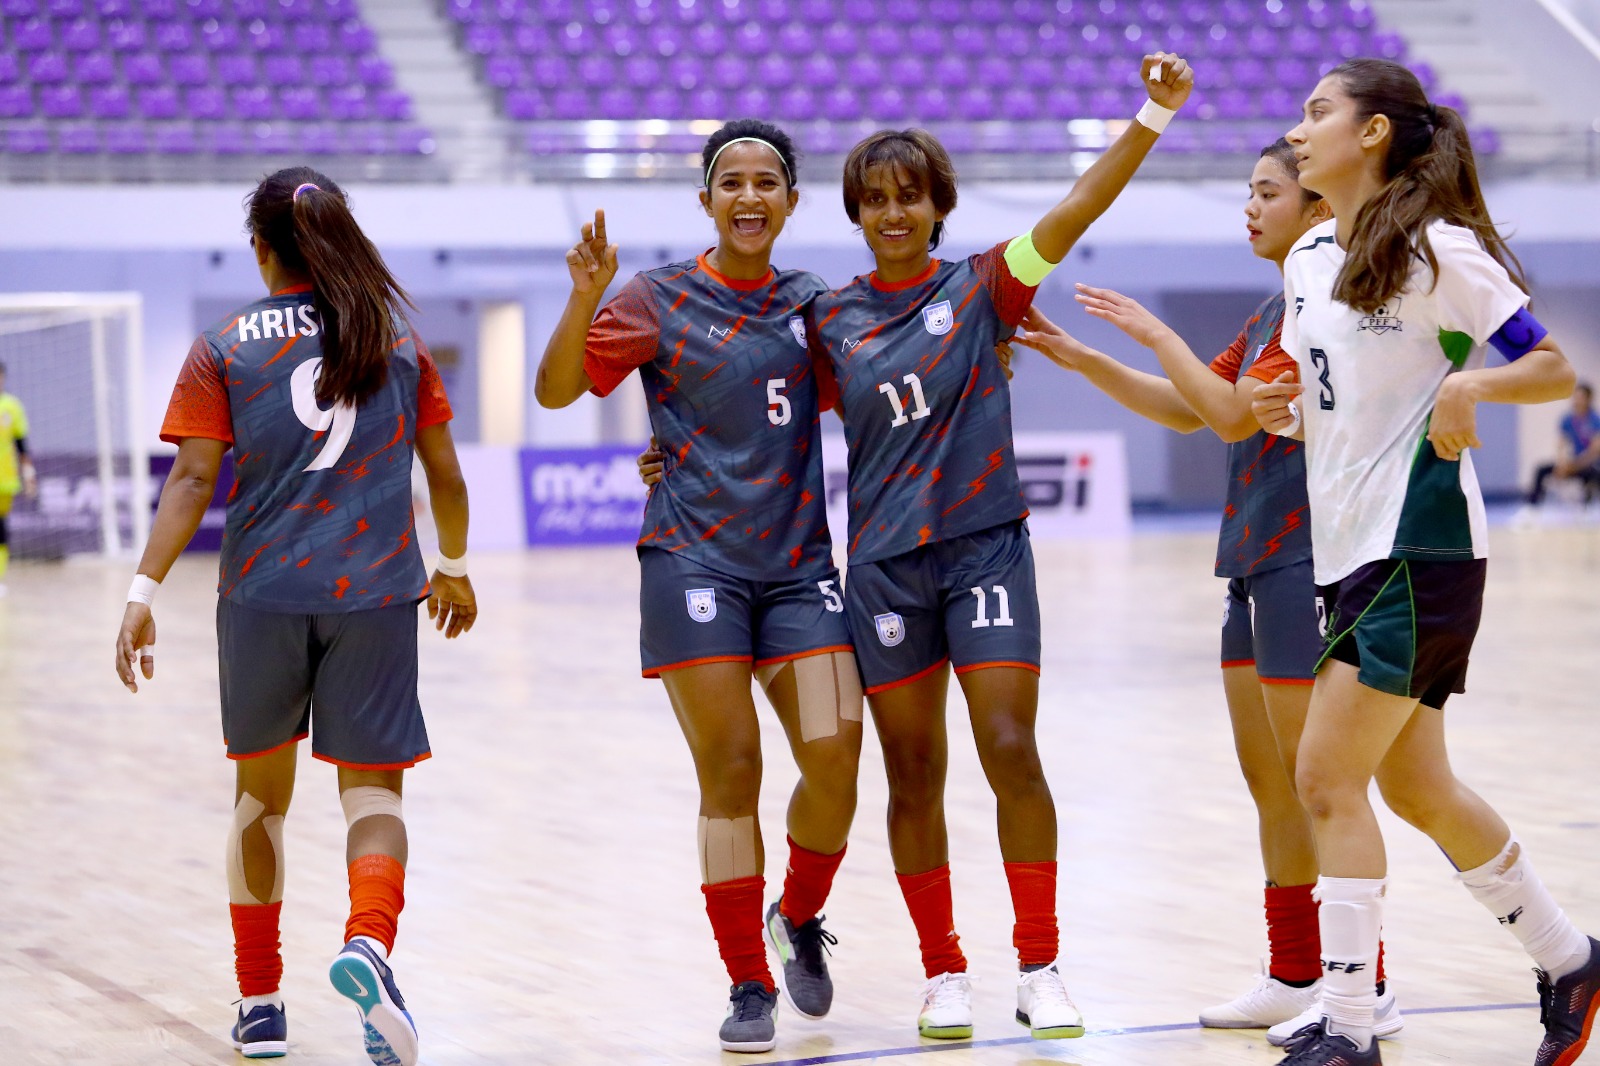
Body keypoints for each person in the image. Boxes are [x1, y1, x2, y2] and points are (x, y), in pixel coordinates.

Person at [803, 52, 1192, 1042]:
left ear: (939, 204)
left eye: (910, 195)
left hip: (985, 551)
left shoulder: (984, 286)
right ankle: (943, 971)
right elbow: (753, 406)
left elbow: (1076, 208)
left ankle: (1040, 964)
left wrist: (1152, 114)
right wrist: (662, 454)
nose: (893, 212)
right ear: (855, 213)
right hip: (883, 569)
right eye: (875, 199)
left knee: (1011, 747)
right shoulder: (827, 319)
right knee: (912, 772)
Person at [1011, 138, 1404, 1044]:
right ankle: (1294, 971)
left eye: (1267, 192)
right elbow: (1190, 405)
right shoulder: (1272, 308)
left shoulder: (1332, 302)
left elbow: (1226, 415)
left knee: (1321, 781)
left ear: (1317, 208)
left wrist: (1153, 332)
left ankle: (1366, 982)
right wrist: (1082, 358)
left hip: (1310, 558)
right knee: (1272, 783)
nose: (1250, 207)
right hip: (1252, 561)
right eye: (1248, 192)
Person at [1250, 58, 1599, 1066]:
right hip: (1347, 551)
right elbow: (1320, 393)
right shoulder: (1309, 253)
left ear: (1372, 132)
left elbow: (1551, 366)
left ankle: (1350, 1026)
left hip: (1419, 546)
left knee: (1324, 776)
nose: (1298, 128)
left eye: (1317, 111)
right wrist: (1280, 409)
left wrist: (1470, 389)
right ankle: (1570, 958)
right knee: (1417, 789)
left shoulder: (1438, 249)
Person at [113, 167, 475, 1066]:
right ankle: (368, 945)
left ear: (261, 250)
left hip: (262, 596)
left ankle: (261, 1003)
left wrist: (143, 591)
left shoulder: (224, 345)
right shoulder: (394, 339)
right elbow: (446, 474)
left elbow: (192, 479)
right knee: (374, 796)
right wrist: (455, 569)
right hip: (376, 594)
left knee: (259, 801)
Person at [534, 120, 863, 1055]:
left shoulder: (814, 305)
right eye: (732, 182)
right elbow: (555, 391)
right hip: (692, 565)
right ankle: (748, 983)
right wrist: (585, 298)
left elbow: (884, 377)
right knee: (733, 772)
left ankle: (797, 915)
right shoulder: (657, 297)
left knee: (836, 762)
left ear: (791, 202)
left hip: (799, 570)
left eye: (767, 182)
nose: (749, 196)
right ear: (708, 199)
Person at [0, 360, 38, 597]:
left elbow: (21, 444)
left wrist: (29, 474)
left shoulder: (12, 406)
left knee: (0, 527)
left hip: (4, 479)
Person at [1528, 382, 1600, 506]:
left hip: (1586, 464)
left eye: (1580, 397)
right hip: (1570, 463)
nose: (1576, 401)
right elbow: (1561, 444)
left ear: (1588, 399)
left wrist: (1575, 466)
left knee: (1595, 474)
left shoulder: (1595, 420)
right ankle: (1533, 506)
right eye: (1575, 397)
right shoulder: (1567, 419)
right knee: (1541, 470)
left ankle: (1588, 502)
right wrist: (1561, 464)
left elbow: (1595, 451)